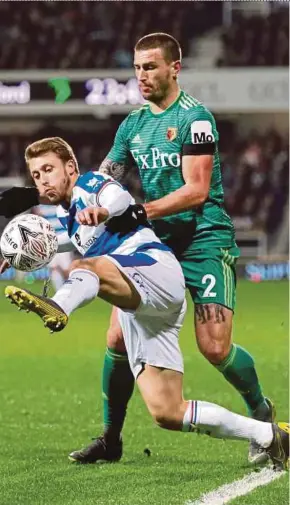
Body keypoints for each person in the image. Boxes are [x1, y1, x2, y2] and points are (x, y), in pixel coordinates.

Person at [0, 33, 275, 466]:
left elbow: (197, 190)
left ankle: (260, 410)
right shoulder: (131, 125)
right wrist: (35, 195)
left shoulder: (195, 120)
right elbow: (101, 181)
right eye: (137, 67)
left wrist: (137, 212)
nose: (142, 75)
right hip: (153, 242)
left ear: (174, 68)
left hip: (203, 239)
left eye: (150, 66)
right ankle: (111, 438)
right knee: (115, 338)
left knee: (215, 347)